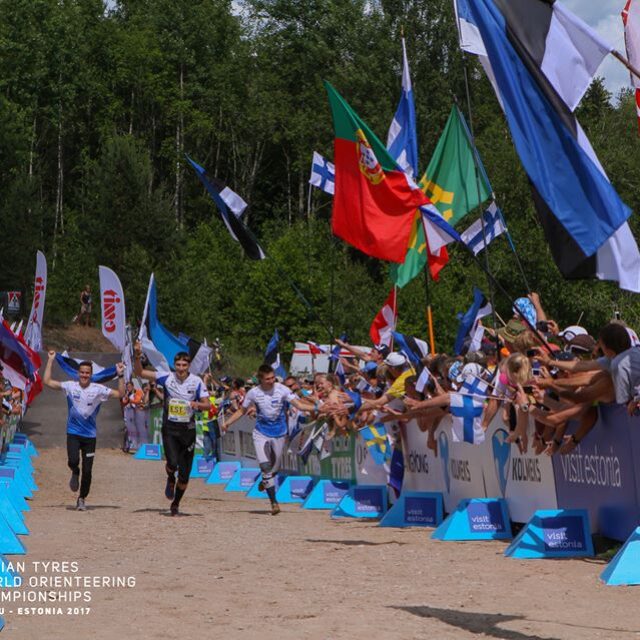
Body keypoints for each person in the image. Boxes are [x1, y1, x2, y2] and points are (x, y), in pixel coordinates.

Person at [222, 364, 316, 515]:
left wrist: (317, 408)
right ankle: (274, 503)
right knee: (265, 467)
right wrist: (227, 423)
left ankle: (266, 481)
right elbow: (242, 410)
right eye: (268, 379)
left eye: (273, 377)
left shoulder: (282, 389)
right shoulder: (253, 393)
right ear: (261, 379)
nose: (272, 381)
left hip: (279, 433)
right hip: (261, 433)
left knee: (274, 469)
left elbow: (299, 404)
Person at [133, 342, 210, 515]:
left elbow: (207, 405)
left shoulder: (196, 381)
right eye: (178, 365)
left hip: (188, 431)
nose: (181, 368)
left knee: (184, 476)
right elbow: (140, 372)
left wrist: (195, 404)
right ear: (174, 365)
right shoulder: (166, 377)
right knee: (172, 464)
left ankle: (176, 502)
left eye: (184, 365)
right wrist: (137, 356)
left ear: (189, 366)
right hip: (170, 428)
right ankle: (169, 478)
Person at [43, 350, 125, 511]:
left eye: (87, 373)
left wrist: (120, 375)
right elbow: (47, 381)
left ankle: (82, 498)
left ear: (91, 374)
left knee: (88, 471)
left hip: (90, 437)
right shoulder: (70, 386)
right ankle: (75, 471)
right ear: (78, 373)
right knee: (73, 461)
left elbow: (121, 393)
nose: (84, 376)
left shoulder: (99, 389)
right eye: (82, 373)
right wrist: (51, 360)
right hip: (73, 433)